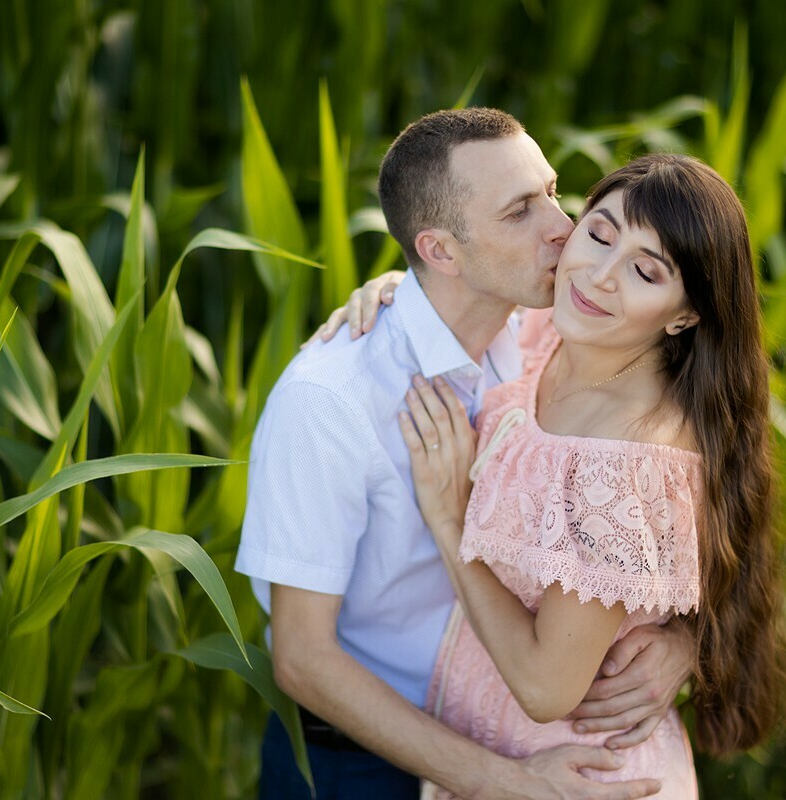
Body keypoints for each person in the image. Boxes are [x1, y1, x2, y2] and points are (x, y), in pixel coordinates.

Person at [235, 109, 694, 800]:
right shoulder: (331, 401)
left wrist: (685, 641)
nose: (563, 228)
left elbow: (683, 504)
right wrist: (504, 784)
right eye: (519, 211)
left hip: (516, 732)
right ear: (441, 252)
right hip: (365, 760)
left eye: (553, 192)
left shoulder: (552, 338)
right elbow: (302, 659)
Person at [388, 153, 786, 798]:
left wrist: (448, 518)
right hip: (495, 761)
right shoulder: (552, 332)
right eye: (600, 234)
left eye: (645, 271)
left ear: (685, 314)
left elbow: (546, 688)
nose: (600, 276)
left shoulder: (622, 466)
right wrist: (391, 294)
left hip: (579, 776)